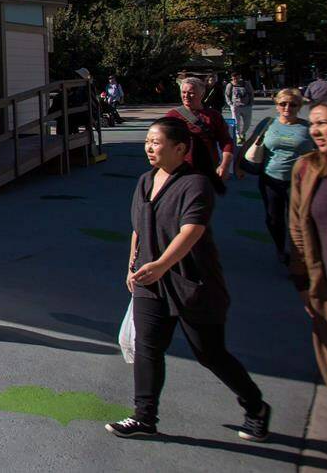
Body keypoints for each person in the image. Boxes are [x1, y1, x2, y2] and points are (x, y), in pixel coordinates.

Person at [107, 117, 270, 440]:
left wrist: (163, 264)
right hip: (151, 281)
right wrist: (133, 265)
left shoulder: (196, 184)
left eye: (156, 142)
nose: (149, 148)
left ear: (180, 148)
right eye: (147, 142)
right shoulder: (145, 181)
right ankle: (144, 417)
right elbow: (138, 228)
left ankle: (255, 406)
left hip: (193, 283)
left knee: (209, 353)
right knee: (148, 348)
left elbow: (191, 231)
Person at [288, 96, 327, 414]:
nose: (315, 130)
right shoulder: (308, 169)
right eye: (312, 123)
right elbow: (298, 230)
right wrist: (302, 280)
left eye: (324, 122)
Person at [238, 89, 313, 265]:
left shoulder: (308, 127)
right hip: (270, 179)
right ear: (277, 105)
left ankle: (300, 254)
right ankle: (281, 249)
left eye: (293, 104)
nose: (288, 107)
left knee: (301, 219)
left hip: (299, 182)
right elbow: (249, 143)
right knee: (274, 218)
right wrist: (238, 165)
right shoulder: (268, 123)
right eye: (283, 104)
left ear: (299, 106)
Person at [165, 76, 234, 194]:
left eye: (191, 93)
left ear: (202, 95)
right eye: (183, 92)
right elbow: (163, 142)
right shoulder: (172, 115)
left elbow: (226, 141)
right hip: (179, 170)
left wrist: (225, 165)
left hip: (206, 169)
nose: (186, 96)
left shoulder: (213, 116)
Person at [225, 72, 255, 145]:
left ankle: (243, 133)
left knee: (247, 123)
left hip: (246, 106)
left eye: (237, 78)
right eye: (234, 78)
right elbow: (227, 95)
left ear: (240, 77)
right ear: (232, 78)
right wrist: (230, 104)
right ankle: (238, 136)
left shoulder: (246, 83)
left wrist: (251, 103)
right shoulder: (230, 85)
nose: (236, 80)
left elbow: (251, 93)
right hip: (236, 106)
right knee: (236, 123)